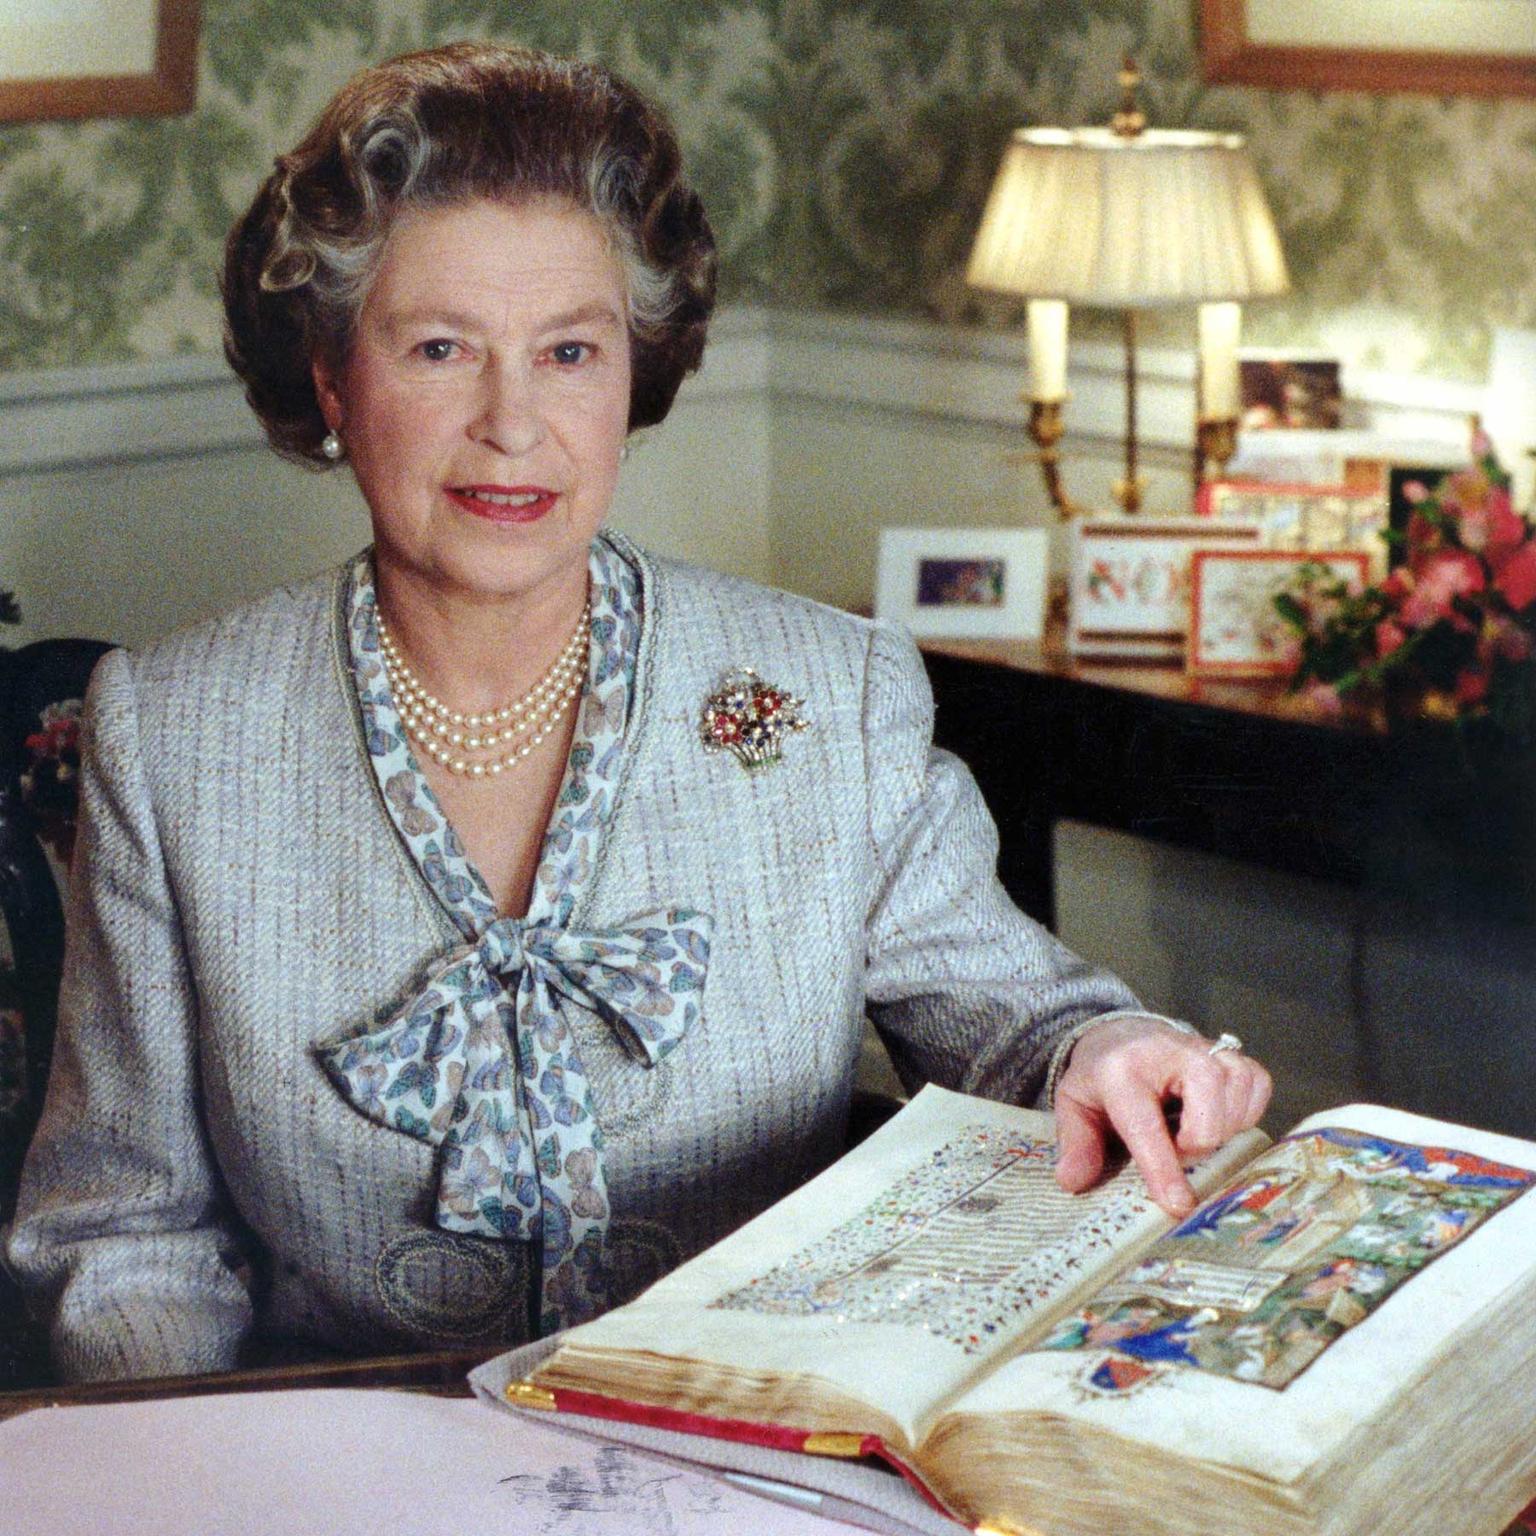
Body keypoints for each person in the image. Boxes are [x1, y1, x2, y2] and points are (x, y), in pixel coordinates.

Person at [5, 43, 1270, 1383]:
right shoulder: (177, 734)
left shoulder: (827, 698)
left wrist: (1120, 1048)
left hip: (764, 1450)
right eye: (439, 349)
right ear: (332, 380)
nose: (512, 424)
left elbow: (1022, 1026)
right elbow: (125, 1228)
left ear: (633, 373)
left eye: (568, 351)